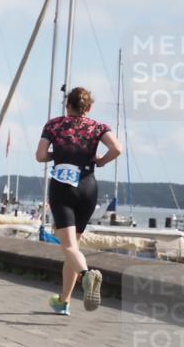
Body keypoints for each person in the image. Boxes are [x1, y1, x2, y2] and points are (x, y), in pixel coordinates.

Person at [35, 87, 122, 315]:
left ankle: (87, 275)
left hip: (63, 187)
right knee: (74, 248)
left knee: (69, 247)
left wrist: (58, 154)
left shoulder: (53, 125)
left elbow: (40, 156)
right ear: (89, 107)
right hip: (87, 186)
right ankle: (63, 302)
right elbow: (117, 148)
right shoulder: (98, 127)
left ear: (67, 105)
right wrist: (101, 161)